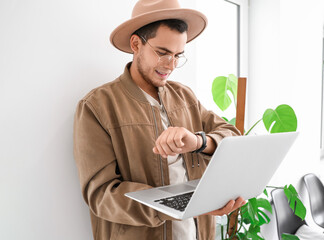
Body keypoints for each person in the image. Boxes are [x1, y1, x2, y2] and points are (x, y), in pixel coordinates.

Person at [73, 0, 245, 239]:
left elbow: (233, 136)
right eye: (162, 53)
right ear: (136, 44)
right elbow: (101, 195)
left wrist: (198, 142)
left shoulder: (185, 96)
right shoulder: (97, 106)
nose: (171, 65)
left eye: (178, 55)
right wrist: (181, 204)